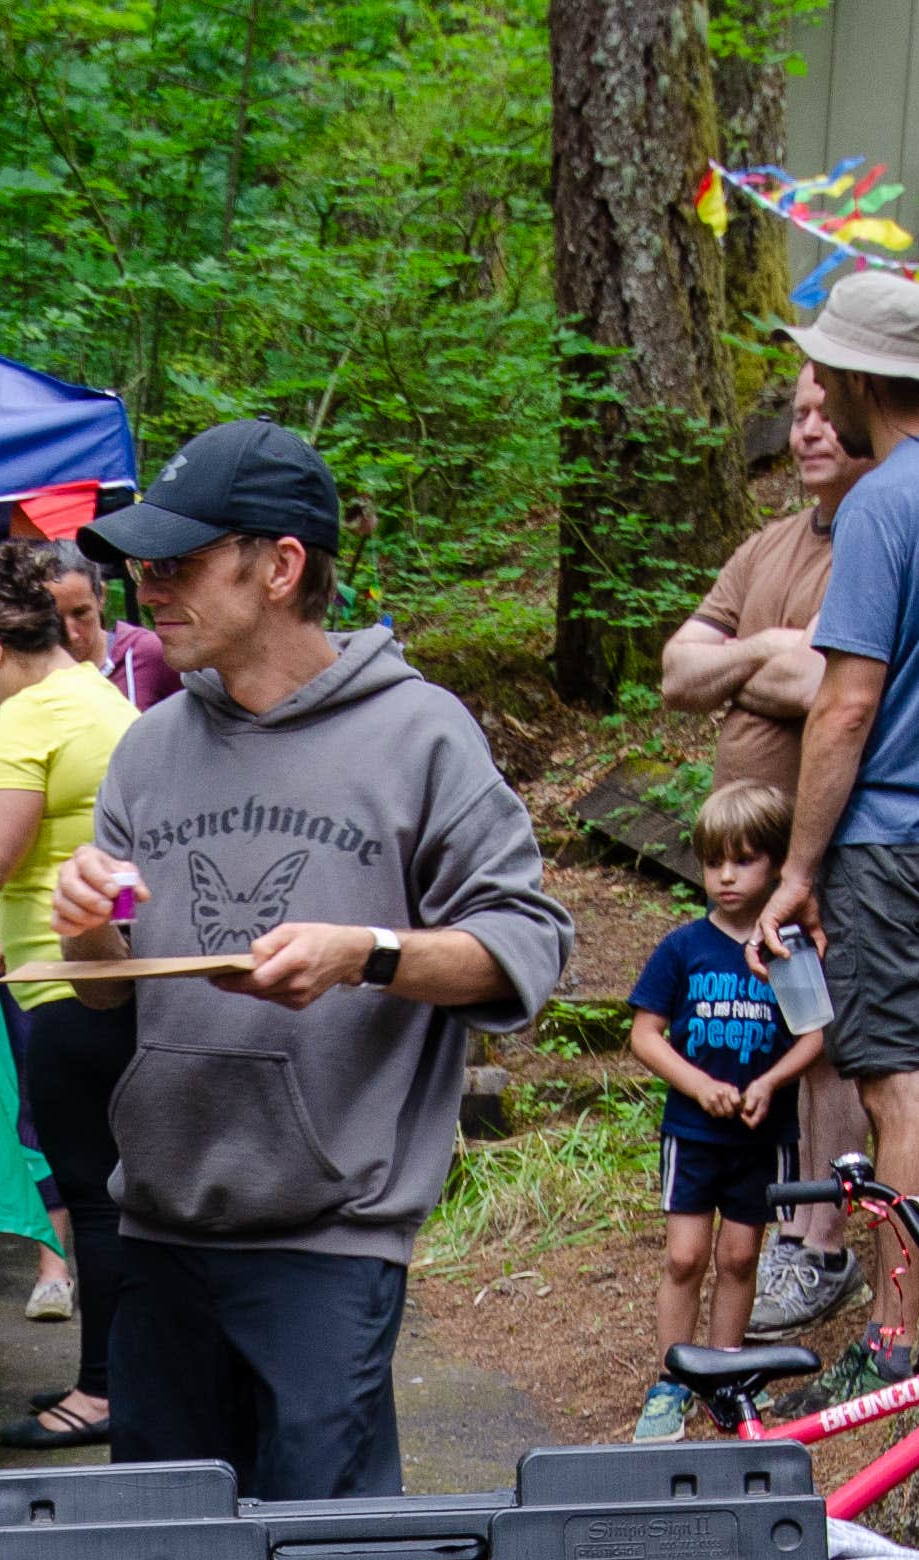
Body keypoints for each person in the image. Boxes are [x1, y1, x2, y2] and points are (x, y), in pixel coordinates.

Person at [44, 420, 574, 1502]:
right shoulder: (147, 747)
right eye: (141, 568)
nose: (149, 589)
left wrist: (364, 955)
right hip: (158, 1229)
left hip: (328, 1241)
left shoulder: (418, 735)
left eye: (178, 565)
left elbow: (526, 947)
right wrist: (84, 926)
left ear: (279, 566)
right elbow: (104, 988)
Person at [742, 268, 919, 1400]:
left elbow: (844, 701)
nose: (813, 387)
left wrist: (800, 869)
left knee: (899, 1084)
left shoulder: (880, 505)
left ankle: (899, 1335)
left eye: (823, 369)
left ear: (864, 378)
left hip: (894, 841)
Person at [652, 391, 874, 1336]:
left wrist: (739, 661)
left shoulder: (878, 536)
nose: (809, 429)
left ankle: (818, 1242)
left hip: (830, 839)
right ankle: (765, 1223)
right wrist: (769, 651)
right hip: (741, 854)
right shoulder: (769, 545)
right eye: (796, 413)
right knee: (741, 1022)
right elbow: (675, 671)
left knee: (818, 1029)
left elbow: (834, 683)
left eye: (828, 411)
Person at [0, 541, 138, 1454]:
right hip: (102, 975)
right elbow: (66, 860)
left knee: (94, 1199)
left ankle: (103, 1392)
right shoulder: (102, 696)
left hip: (71, 995)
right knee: (118, 1195)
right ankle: (126, 1374)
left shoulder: (27, 717)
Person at [623, 782, 827, 1441]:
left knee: (740, 1256)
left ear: (775, 865)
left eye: (744, 861)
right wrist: (696, 1084)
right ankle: (671, 1382)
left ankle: (727, 1378)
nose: (727, 877)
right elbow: (645, 1034)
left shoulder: (787, 948)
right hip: (693, 1131)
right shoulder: (684, 949)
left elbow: (815, 1035)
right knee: (686, 1256)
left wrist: (769, 1081)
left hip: (760, 1135)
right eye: (715, 863)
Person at [48, 539, 173, 711]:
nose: (71, 634)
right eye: (54, 618)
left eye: (81, 613)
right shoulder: (30, 672)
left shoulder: (149, 653)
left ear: (101, 596)